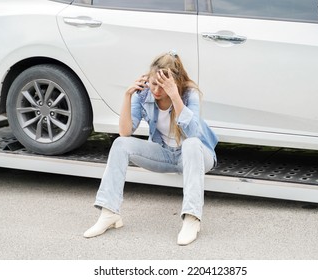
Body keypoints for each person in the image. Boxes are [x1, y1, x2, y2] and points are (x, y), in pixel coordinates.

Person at [83, 51, 218, 246]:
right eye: (154, 83)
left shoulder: (189, 94)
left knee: (191, 143)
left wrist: (174, 96)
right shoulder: (144, 94)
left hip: (197, 156)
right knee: (120, 144)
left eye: (162, 86)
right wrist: (128, 96)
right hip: (165, 155)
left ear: (174, 83)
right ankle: (109, 213)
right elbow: (125, 132)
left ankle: (191, 218)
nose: (156, 90)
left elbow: (194, 132)